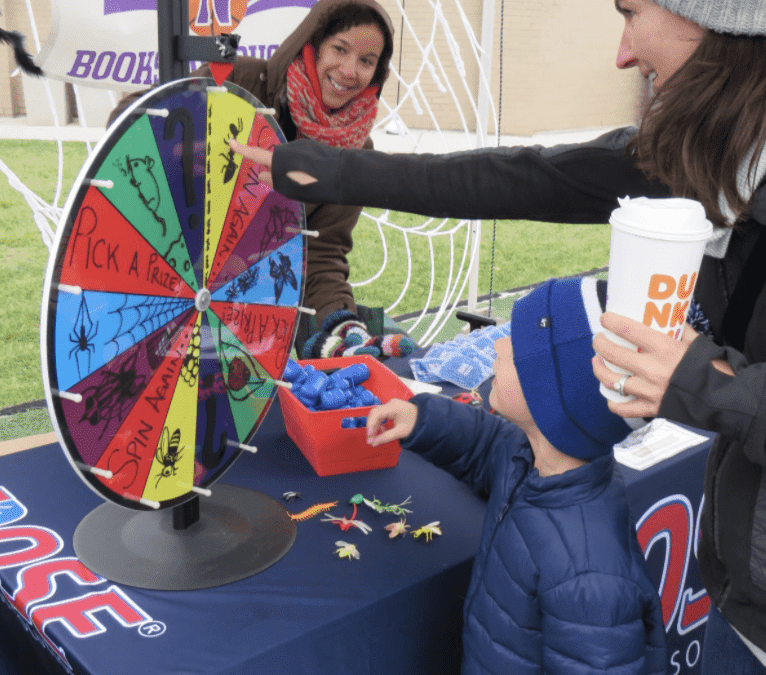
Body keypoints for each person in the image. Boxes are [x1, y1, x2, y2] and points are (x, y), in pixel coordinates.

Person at [231, 2, 766, 671]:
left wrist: (707, 384)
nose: (624, 54)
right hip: (742, 594)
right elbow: (524, 176)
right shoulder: (707, 152)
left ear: (722, 22)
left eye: (633, 13)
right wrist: (334, 170)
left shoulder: (587, 561)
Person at [365, 276, 666, 675]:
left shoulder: (589, 575)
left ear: (552, 399)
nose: (498, 345)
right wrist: (423, 419)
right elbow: (485, 444)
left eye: (517, 346)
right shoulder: (533, 456)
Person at [108, 0, 414, 360]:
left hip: (251, 309)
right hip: (166, 278)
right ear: (311, 44)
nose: (349, 70)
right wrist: (179, 151)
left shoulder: (357, 149)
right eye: (340, 49)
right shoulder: (241, 81)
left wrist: (340, 327)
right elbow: (125, 120)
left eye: (367, 60)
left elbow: (321, 252)